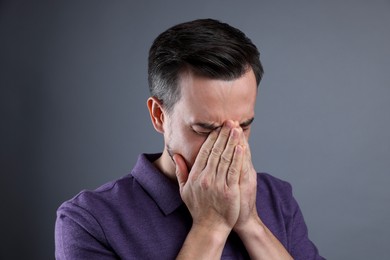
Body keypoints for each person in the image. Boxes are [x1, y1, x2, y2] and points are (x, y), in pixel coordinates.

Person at [55, 18, 324, 259]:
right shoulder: (89, 220)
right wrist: (211, 227)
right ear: (159, 115)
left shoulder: (277, 197)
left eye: (243, 126)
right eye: (205, 129)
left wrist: (251, 223)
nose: (228, 146)